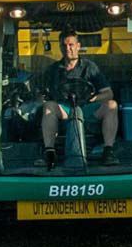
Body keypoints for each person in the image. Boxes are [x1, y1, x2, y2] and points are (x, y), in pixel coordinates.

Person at [36, 31, 119, 167]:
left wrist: (93, 98)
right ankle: (49, 152)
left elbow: (108, 93)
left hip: (87, 109)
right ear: (60, 47)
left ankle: (108, 151)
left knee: (112, 105)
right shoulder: (53, 70)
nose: (68, 48)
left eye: (71, 45)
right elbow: (40, 93)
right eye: (64, 45)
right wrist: (42, 101)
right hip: (64, 110)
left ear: (78, 46)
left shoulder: (90, 68)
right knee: (49, 106)